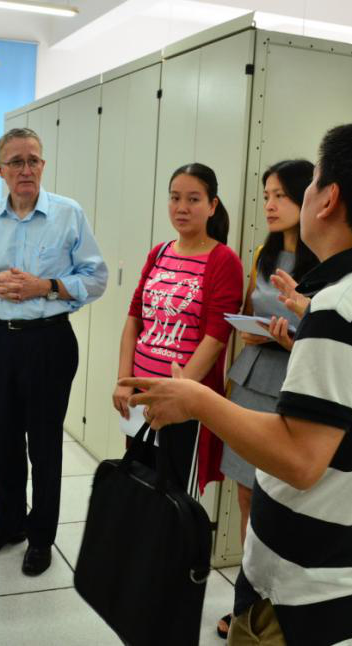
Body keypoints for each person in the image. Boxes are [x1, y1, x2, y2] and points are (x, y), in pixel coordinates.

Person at [122, 121, 352, 646]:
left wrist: (197, 399)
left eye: (310, 182)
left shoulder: (340, 308)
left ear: (329, 199)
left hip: (300, 592)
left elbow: (298, 459)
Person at [0, 128, 108, 576]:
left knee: (44, 444)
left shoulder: (68, 214)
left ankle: (41, 537)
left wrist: (45, 286)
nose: (26, 169)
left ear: (42, 165)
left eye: (33, 160)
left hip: (49, 341)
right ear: (0, 170)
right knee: (3, 438)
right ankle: (8, 524)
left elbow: (96, 278)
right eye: (16, 162)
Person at [216, 160, 318, 639]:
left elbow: (329, 341)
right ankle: (246, 601)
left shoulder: (326, 265)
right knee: (244, 493)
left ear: (307, 198)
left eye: (281, 195)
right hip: (253, 377)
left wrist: (289, 339)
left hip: (294, 382)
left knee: (279, 501)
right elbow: (248, 310)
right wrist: (253, 333)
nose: (270, 206)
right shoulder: (264, 254)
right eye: (266, 196)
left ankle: (274, 607)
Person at [112, 162, 243, 491]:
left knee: (172, 497)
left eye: (193, 199)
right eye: (175, 198)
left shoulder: (223, 261)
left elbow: (215, 339)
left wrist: (173, 395)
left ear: (212, 206)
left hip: (183, 403)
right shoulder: (159, 253)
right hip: (141, 397)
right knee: (138, 487)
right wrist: (124, 382)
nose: (181, 207)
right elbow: (134, 319)